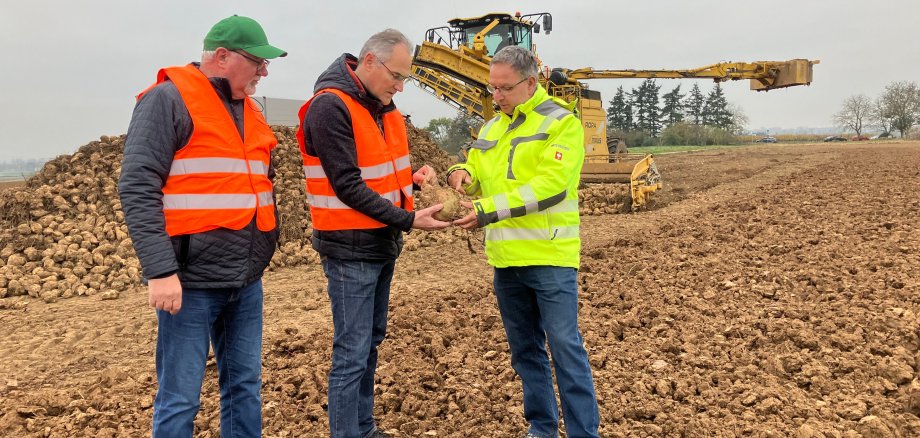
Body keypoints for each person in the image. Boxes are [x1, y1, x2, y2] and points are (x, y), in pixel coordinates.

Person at [118, 15, 286, 437]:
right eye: (258, 62)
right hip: (190, 283)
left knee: (244, 388)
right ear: (222, 57)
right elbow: (138, 187)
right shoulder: (168, 100)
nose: (264, 71)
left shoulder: (251, 110)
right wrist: (160, 271)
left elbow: (256, 182)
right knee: (179, 398)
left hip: (245, 280)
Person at [296, 29, 449, 438]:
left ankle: (363, 429)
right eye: (396, 76)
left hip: (380, 243)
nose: (400, 86)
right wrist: (409, 219)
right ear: (368, 62)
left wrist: (412, 180)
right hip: (350, 248)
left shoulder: (381, 107)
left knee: (368, 344)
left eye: (404, 78)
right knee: (352, 352)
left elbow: (379, 174)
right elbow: (347, 185)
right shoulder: (330, 107)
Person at [448, 45, 601, 438]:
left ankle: (584, 433)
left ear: (531, 83)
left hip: (549, 257)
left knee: (565, 349)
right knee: (525, 352)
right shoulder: (491, 127)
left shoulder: (562, 123)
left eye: (505, 88)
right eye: (492, 88)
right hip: (506, 260)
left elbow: (550, 187)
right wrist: (460, 173)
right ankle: (542, 427)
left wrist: (486, 210)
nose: (496, 96)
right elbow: (477, 168)